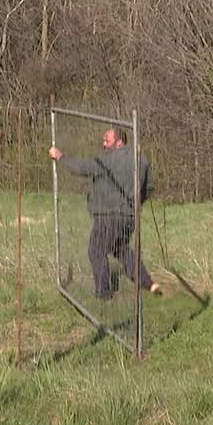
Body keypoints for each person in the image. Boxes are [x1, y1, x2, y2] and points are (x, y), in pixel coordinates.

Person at [49, 128, 161, 299]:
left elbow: (82, 168)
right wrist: (135, 204)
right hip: (129, 218)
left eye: (107, 141)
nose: (103, 144)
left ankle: (103, 294)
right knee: (120, 249)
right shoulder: (141, 160)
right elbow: (150, 186)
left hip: (109, 217)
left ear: (120, 142)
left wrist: (60, 157)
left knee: (96, 250)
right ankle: (149, 283)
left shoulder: (108, 160)